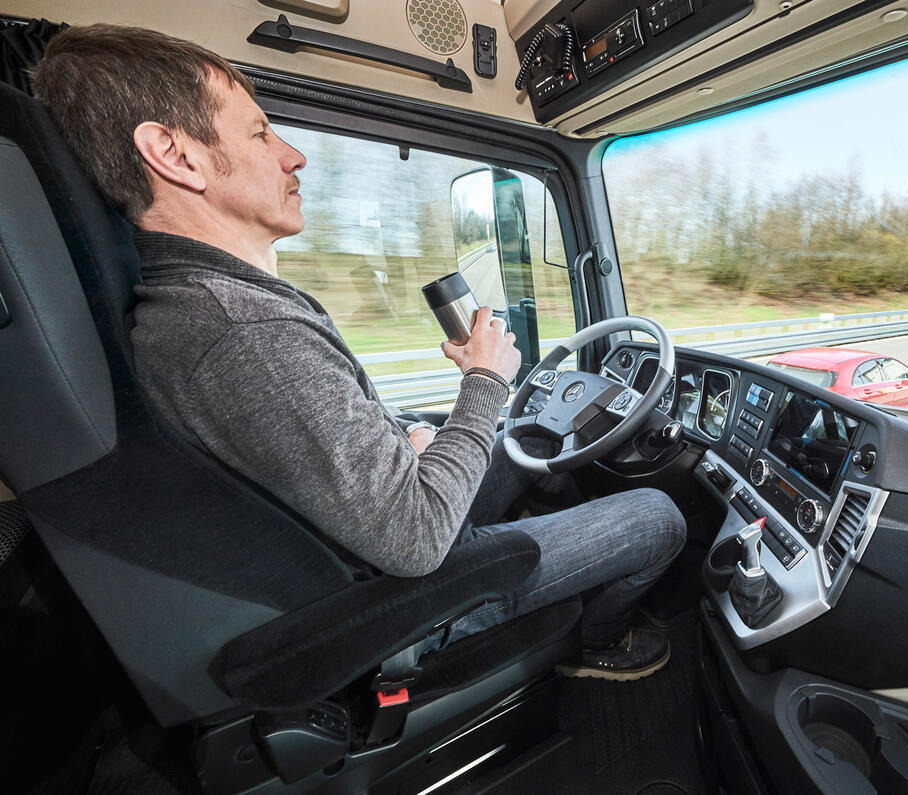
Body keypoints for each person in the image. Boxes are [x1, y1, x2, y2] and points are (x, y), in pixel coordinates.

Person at [33, 24, 686, 680]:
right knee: (658, 515)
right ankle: (604, 639)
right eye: (260, 132)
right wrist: (485, 377)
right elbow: (418, 538)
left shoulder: (203, 299)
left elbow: (313, 445)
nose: (293, 156)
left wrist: (406, 440)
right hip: (402, 604)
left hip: (360, 538)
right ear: (174, 155)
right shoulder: (244, 332)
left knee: (527, 436)